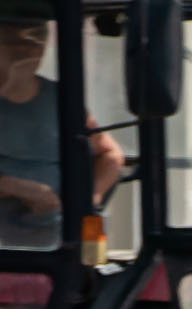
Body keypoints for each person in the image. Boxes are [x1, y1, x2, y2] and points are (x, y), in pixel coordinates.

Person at [0, 18, 125, 253]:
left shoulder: (62, 98)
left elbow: (110, 154)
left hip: (66, 225)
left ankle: (92, 275)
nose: (24, 50)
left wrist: (89, 200)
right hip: (8, 232)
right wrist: (14, 186)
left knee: (93, 254)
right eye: (12, 40)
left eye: (34, 40)